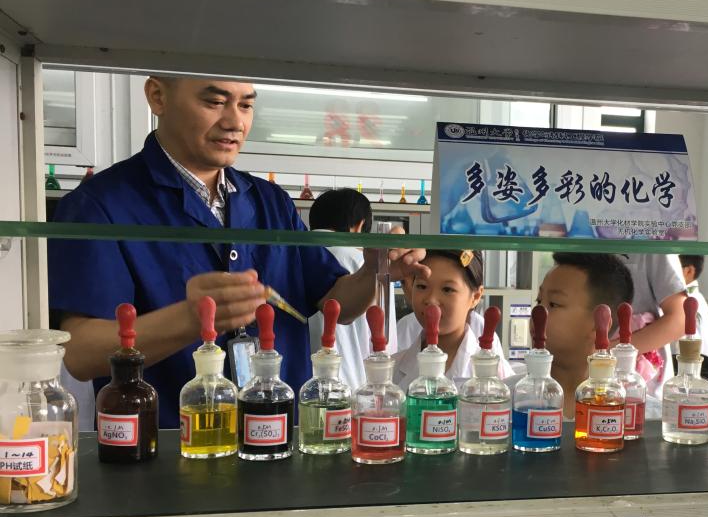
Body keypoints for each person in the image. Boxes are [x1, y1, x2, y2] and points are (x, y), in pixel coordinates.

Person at [48, 77, 426, 428]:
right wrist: (190, 319)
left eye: (245, 105)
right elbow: (80, 352)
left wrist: (373, 270)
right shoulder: (101, 206)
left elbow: (337, 304)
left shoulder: (270, 201)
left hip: (276, 433)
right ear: (158, 97)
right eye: (214, 102)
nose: (234, 122)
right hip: (166, 443)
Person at [307, 188, 398, 388]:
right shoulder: (372, 264)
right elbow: (386, 343)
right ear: (360, 226)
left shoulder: (290, 256)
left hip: (298, 384)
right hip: (355, 387)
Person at [391, 250, 513, 390]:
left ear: (475, 297)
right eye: (422, 286)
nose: (431, 300)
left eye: (447, 289)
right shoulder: (393, 370)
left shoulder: (498, 375)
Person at [534, 252, 635, 420]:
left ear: (599, 324)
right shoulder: (511, 398)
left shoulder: (637, 412)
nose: (538, 313)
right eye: (538, 301)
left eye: (553, 304)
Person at [615, 254, 687, 418]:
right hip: (584, 379)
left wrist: (609, 351)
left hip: (642, 392)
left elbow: (680, 320)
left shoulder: (654, 245)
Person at [679, 255, 708, 361]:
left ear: (689, 271)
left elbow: (684, 349)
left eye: (673, 267)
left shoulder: (687, 302)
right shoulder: (696, 297)